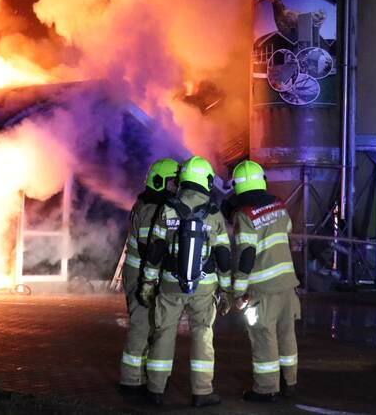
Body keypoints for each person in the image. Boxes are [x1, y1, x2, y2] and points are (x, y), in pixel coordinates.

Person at [138, 155, 231, 407]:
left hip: (170, 284)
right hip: (204, 286)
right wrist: (226, 290)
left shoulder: (168, 209)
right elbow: (223, 256)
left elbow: (155, 251)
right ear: (206, 180)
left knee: (164, 333)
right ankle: (202, 392)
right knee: (203, 335)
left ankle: (155, 389)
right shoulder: (213, 213)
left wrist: (148, 283)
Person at [227, 159, 299, 403]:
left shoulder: (244, 215)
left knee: (263, 337)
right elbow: (287, 229)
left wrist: (238, 292)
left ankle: (266, 388)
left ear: (237, 186)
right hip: (287, 285)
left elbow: (246, 255)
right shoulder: (279, 205)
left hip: (262, 290)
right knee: (286, 335)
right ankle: (289, 382)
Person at [119, 157, 178, 395]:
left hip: (147, 277)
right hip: (140, 277)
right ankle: (131, 381)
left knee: (152, 328)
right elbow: (151, 249)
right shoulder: (150, 209)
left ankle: (146, 378)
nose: (176, 187)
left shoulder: (153, 205)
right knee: (141, 327)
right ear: (159, 181)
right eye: (172, 182)